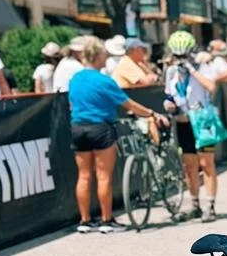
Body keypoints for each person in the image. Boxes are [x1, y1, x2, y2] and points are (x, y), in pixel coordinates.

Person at [67, 37, 160, 233]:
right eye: (104, 55)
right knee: (103, 176)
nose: (106, 58)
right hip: (100, 127)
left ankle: (84, 221)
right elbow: (129, 104)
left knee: (84, 175)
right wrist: (150, 113)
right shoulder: (104, 81)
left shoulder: (75, 79)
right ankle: (106, 220)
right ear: (97, 56)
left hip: (78, 127)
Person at [163, 30, 223, 221]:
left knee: (207, 164)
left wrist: (192, 69)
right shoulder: (171, 71)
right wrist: (168, 104)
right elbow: (169, 95)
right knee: (190, 166)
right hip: (184, 121)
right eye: (177, 55)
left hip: (202, 120)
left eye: (184, 55)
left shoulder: (202, 67)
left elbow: (211, 87)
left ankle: (210, 206)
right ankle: (195, 204)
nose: (180, 59)